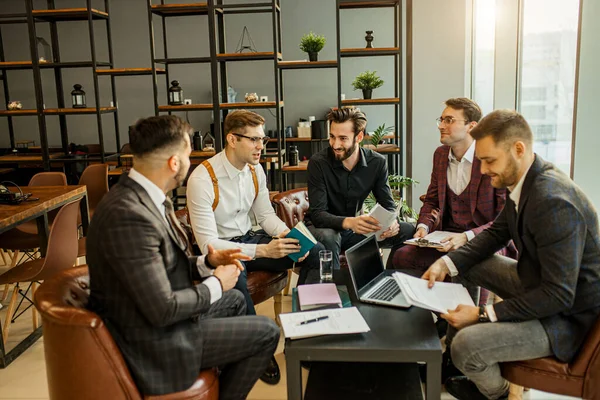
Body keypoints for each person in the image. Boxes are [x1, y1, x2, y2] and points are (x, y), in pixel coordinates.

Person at [87, 115, 280, 400]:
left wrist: (208, 263)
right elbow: (162, 309)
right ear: (174, 163)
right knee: (266, 332)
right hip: (153, 340)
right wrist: (216, 282)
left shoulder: (147, 195)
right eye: (189, 154)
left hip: (159, 318)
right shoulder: (127, 216)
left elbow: (160, 264)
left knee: (237, 299)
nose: (193, 162)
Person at [422, 109, 600, 400]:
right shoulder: (525, 183)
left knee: (467, 344)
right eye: (480, 160)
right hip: (538, 285)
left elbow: (558, 296)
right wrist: (446, 262)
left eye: (490, 161)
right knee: (468, 262)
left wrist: (482, 314)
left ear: (518, 149)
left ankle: (499, 394)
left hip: (565, 318)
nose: (482, 171)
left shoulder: (553, 201)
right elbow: (495, 234)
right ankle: (457, 366)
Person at [186, 109, 323, 384]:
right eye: (254, 140)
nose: (261, 146)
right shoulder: (202, 179)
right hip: (223, 251)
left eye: (263, 139)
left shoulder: (255, 169)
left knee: (316, 252)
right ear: (232, 139)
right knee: (234, 273)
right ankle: (258, 351)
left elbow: (265, 217)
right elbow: (208, 244)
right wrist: (264, 251)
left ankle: (305, 333)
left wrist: (290, 235)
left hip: (250, 237)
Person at [392, 97, 512, 278]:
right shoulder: (440, 155)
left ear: (471, 126)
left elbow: (504, 220)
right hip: (446, 237)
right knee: (401, 256)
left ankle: (471, 306)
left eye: (449, 120)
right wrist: (423, 226)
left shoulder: (491, 158)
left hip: (486, 239)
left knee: (476, 264)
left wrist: (467, 237)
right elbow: (431, 200)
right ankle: (420, 302)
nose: (441, 126)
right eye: (441, 120)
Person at [306, 107, 414, 269]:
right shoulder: (318, 162)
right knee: (330, 236)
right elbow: (318, 215)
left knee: (407, 230)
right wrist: (350, 222)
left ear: (359, 137)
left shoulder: (377, 163)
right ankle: (332, 290)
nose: (335, 144)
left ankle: (388, 279)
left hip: (352, 231)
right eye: (332, 137)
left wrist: (392, 223)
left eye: (343, 138)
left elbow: (387, 204)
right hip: (321, 227)